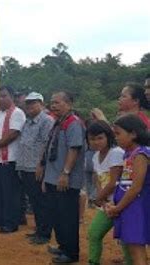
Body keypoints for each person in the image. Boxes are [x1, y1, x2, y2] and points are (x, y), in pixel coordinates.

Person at [39, 91, 85, 264]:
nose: (53, 106)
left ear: (69, 104)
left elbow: (75, 149)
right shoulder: (58, 122)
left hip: (66, 180)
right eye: (52, 102)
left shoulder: (73, 123)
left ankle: (71, 253)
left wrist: (65, 173)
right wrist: (45, 176)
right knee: (57, 215)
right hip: (53, 178)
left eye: (58, 103)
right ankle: (63, 246)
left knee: (67, 217)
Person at [106, 114, 150, 265]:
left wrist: (118, 207)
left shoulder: (140, 154)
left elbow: (136, 187)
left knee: (137, 250)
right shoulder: (129, 154)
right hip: (131, 206)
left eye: (118, 133)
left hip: (137, 207)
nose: (116, 138)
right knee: (134, 248)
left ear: (133, 134)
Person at [85, 120, 131, 265]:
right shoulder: (95, 156)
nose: (96, 142)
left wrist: (98, 198)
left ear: (108, 137)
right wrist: (102, 201)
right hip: (107, 204)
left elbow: (113, 182)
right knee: (94, 233)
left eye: (100, 137)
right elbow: (98, 179)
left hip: (123, 202)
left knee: (126, 239)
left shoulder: (116, 153)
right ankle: (93, 262)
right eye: (92, 139)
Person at [0, 86, 26, 233]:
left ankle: (11, 222)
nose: (1, 99)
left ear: (12, 97)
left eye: (4, 96)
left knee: (10, 192)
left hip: (10, 160)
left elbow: (13, 134)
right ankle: (0, 218)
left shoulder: (17, 113)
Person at [16, 92, 54, 243]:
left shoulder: (46, 121)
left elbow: (47, 145)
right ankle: (39, 230)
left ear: (42, 104)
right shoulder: (27, 121)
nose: (30, 106)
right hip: (26, 167)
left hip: (37, 168)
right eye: (28, 103)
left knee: (42, 201)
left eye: (34, 103)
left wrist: (41, 164)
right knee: (34, 201)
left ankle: (44, 234)